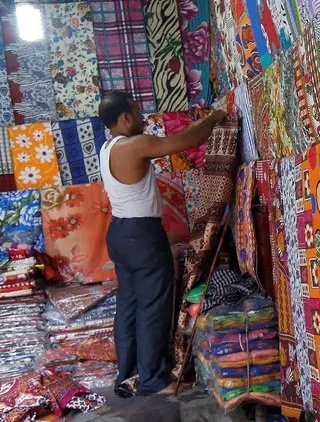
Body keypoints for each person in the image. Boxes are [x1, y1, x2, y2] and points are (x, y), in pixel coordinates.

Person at [98, 92, 226, 396]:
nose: (143, 119)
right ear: (126, 118)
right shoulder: (133, 145)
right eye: (138, 113)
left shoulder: (107, 148)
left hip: (120, 233)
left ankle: (129, 374)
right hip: (140, 235)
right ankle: (155, 381)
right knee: (153, 305)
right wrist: (214, 117)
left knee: (129, 306)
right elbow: (186, 141)